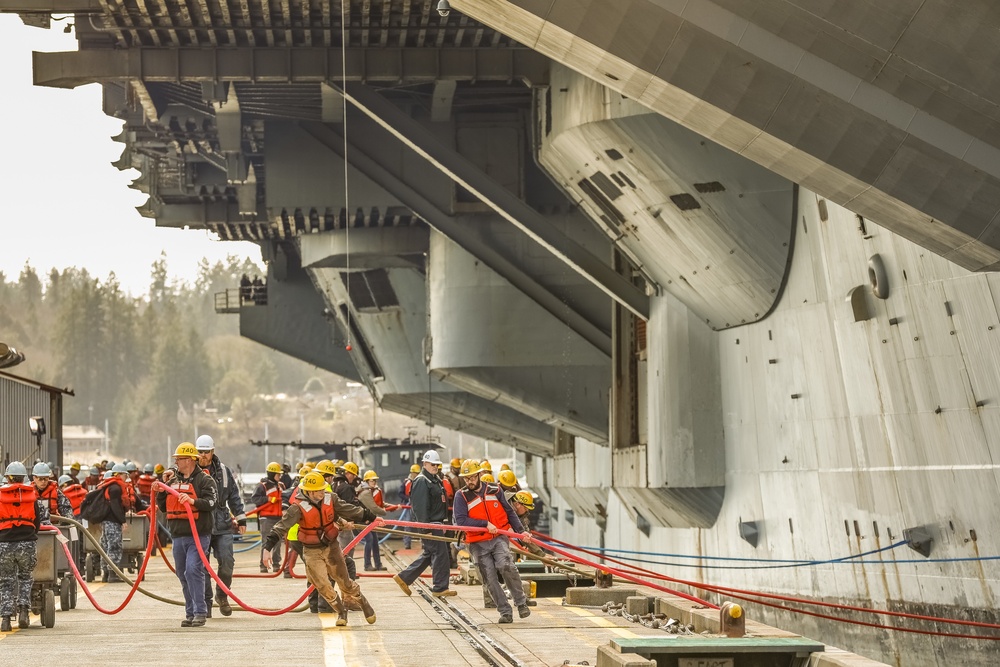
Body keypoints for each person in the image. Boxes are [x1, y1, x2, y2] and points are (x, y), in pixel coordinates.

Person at [261, 472, 378, 626]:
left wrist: (372, 517)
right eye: (319, 490)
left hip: (331, 547)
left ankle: (363, 601)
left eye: (323, 489)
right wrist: (267, 548)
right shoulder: (297, 508)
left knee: (344, 582)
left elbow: (349, 509)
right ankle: (341, 611)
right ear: (309, 492)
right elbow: (280, 527)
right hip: (311, 550)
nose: (323, 492)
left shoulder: (331, 498)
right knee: (322, 584)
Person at [453, 459, 531, 624]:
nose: (469, 481)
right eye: (466, 479)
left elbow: (509, 512)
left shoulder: (495, 490)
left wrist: (521, 531)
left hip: (498, 538)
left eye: (472, 477)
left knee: (506, 565)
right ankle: (505, 612)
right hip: (477, 543)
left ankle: (521, 602)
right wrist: (484, 524)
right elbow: (460, 521)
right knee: (489, 579)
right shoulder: (461, 496)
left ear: (479, 475)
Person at [156, 442, 219, 628]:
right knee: (182, 574)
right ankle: (190, 612)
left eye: (180, 458)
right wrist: (159, 490)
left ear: (191, 460)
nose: (176, 461)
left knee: (193, 570)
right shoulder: (172, 481)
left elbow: (212, 503)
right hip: (178, 535)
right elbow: (162, 505)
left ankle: (200, 611)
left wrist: (192, 501)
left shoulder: (205, 481)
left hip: (198, 535)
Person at [194, 434, 247, 618]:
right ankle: (205, 603)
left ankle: (222, 596)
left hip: (222, 523)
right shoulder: (189, 471)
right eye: (199, 452)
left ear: (213, 451)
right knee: (201, 566)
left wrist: (241, 518)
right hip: (200, 523)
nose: (203, 455)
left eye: (206, 452)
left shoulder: (224, 471)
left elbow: (233, 496)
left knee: (227, 561)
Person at [393, 450, 455, 598]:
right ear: (425, 463)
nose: (436, 467)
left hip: (436, 523)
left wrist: (444, 522)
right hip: (430, 525)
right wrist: (425, 528)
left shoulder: (434, 480)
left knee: (430, 554)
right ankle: (440, 587)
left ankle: (404, 577)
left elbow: (441, 502)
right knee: (440, 555)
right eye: (433, 464)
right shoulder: (422, 481)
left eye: (437, 465)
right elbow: (420, 507)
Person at [0, 462, 41, 632]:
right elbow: (37, 522)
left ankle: (5, 620)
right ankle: (24, 612)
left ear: (8, 477)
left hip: (5, 544)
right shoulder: (31, 496)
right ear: (24, 478)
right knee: (25, 577)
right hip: (27, 542)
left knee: (6, 582)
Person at [97, 462, 142, 583]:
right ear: (119, 474)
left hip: (105, 521)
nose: (126, 478)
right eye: (125, 475)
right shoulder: (116, 488)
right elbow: (115, 506)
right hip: (112, 521)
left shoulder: (108, 486)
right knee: (114, 546)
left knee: (105, 547)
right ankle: (113, 574)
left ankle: (106, 573)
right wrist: (122, 521)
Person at [250, 462, 286, 573]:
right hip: (266, 517)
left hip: (278, 517)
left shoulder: (280, 486)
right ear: (272, 474)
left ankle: (276, 564)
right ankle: (263, 565)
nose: (279, 476)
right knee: (266, 541)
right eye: (277, 474)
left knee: (278, 542)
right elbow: (255, 499)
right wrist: (268, 499)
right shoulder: (262, 486)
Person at [358, 470, 395, 571]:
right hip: (364, 520)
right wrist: (384, 512)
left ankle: (378, 564)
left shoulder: (370, 490)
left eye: (375, 480)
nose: (374, 482)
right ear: (366, 481)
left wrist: (392, 507)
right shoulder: (365, 492)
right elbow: (373, 507)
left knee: (374, 542)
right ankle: (367, 565)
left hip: (370, 520)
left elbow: (379, 503)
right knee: (369, 540)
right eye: (372, 480)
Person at [395, 463, 420, 549]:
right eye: (415, 473)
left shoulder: (420, 482)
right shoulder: (406, 482)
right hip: (408, 506)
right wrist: (408, 499)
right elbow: (400, 493)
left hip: (417, 505)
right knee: (407, 525)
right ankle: (407, 543)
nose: (416, 475)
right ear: (412, 473)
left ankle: (424, 543)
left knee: (421, 524)